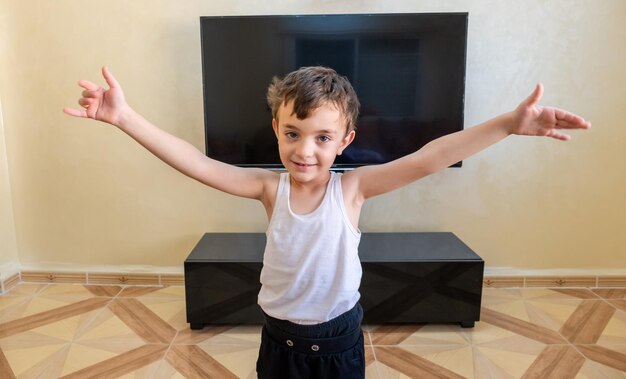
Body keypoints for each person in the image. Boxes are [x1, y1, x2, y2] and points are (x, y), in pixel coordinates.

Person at [64, 65, 591, 378]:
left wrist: (508, 123)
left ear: (345, 141)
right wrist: (124, 118)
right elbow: (200, 164)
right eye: (293, 133)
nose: (305, 150)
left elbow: (430, 157)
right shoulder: (269, 188)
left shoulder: (353, 189)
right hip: (279, 343)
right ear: (276, 129)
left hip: (339, 344)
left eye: (322, 137)